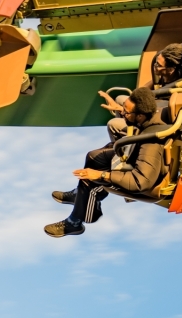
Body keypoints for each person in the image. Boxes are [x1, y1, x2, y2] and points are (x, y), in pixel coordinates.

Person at [44, 87, 169, 237]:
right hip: (136, 154)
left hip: (139, 178)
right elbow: (132, 120)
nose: (123, 113)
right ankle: (80, 196)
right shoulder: (156, 111)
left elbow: (141, 182)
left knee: (89, 181)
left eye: (126, 112)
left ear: (141, 116)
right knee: (93, 156)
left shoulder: (150, 144)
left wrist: (101, 175)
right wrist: (119, 109)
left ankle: (75, 222)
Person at [100, 42, 182, 142]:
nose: (155, 66)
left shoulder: (175, 88)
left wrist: (120, 109)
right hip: (154, 106)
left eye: (158, 65)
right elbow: (142, 90)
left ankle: (124, 146)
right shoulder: (167, 75)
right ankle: (128, 123)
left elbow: (151, 114)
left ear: (170, 69)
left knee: (113, 124)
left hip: (156, 118)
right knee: (120, 98)